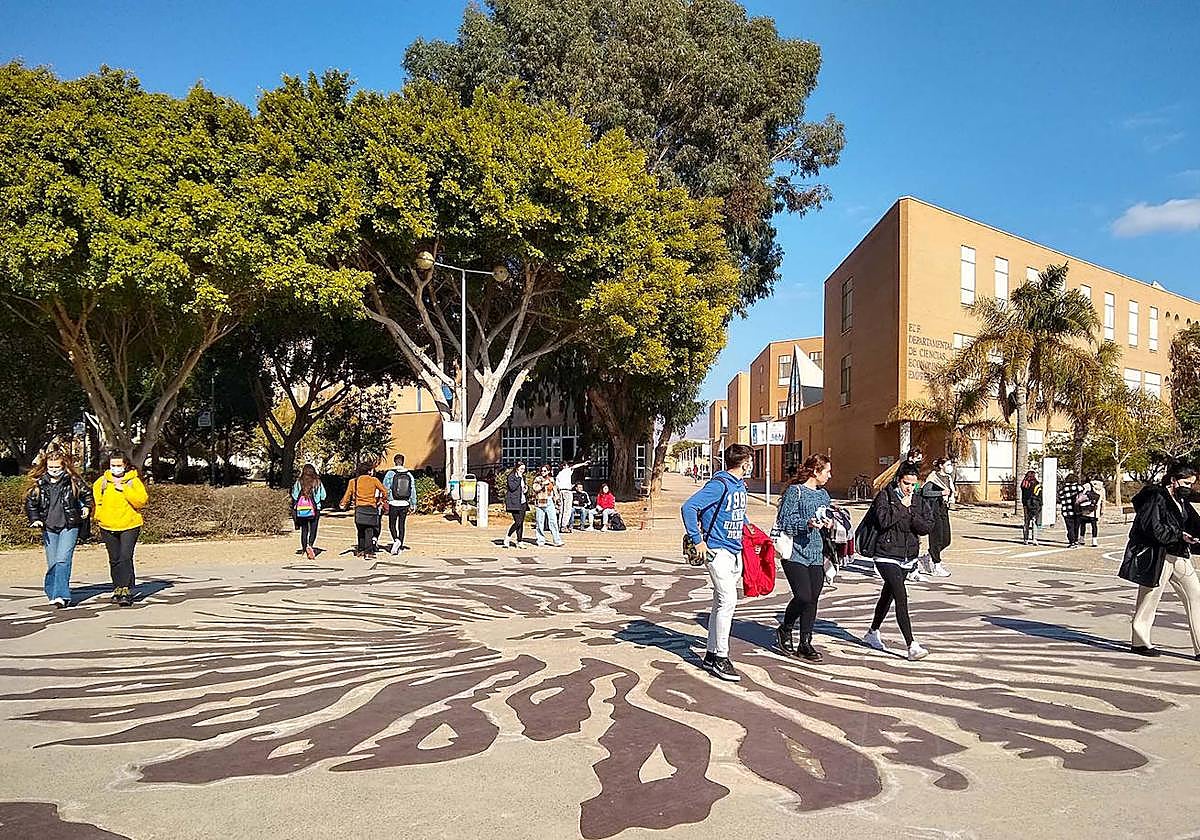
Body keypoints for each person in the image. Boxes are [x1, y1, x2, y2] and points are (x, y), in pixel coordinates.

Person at [681, 443, 753, 682]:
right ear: (744, 462)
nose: (752, 465)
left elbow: (737, 512)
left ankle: (711, 654)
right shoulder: (719, 484)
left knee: (720, 604)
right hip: (716, 549)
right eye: (750, 461)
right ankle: (721, 657)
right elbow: (689, 507)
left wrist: (748, 527)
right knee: (727, 600)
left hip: (734, 550)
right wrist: (698, 540)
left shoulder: (739, 486)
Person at [1125, 464, 1200, 659]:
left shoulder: (1180, 499)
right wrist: (1179, 535)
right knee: (1149, 599)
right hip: (1158, 555)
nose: (1189, 487)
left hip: (1178, 554)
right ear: (1174, 479)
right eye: (1185, 483)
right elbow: (1151, 527)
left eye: (1191, 484)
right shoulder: (1156, 496)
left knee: (1196, 596)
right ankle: (1140, 642)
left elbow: (1192, 522)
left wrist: (1192, 536)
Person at [863, 462, 933, 660]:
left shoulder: (918, 500)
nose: (909, 488)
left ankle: (872, 632)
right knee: (901, 595)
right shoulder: (885, 496)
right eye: (906, 483)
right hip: (885, 553)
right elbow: (884, 521)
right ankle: (911, 645)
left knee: (889, 594)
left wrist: (912, 514)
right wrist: (903, 507)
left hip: (907, 556)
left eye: (913, 484)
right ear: (898, 480)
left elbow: (926, 526)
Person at [774, 454, 834, 662]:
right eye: (826, 471)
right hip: (794, 552)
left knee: (813, 599)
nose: (829, 475)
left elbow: (828, 514)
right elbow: (784, 522)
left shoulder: (824, 495)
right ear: (816, 471)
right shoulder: (795, 491)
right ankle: (785, 628)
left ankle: (805, 643)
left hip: (816, 552)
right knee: (803, 596)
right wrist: (806, 523)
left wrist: (829, 523)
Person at [25, 448, 94, 608]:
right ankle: (52, 591)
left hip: (69, 525)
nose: (54, 471)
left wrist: (86, 507)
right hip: (48, 527)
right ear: (46, 467)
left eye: (57, 468)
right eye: (51, 468)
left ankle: (62, 596)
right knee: (53, 563)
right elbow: (31, 504)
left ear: (64, 467)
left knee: (63, 560)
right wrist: (35, 519)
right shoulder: (39, 483)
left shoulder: (73, 481)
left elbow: (87, 495)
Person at [92, 451, 149, 607]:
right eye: (113, 465)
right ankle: (117, 587)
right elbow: (99, 502)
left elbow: (141, 501)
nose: (116, 468)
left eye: (118, 465)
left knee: (125, 557)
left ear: (125, 465)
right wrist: (100, 517)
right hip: (108, 525)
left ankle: (126, 590)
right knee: (114, 559)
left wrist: (124, 489)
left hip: (130, 525)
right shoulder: (101, 482)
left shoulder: (133, 481)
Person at [340, 460, 388, 560]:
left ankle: (360, 551)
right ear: (369, 471)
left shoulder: (353, 481)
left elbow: (347, 495)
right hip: (371, 508)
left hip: (359, 508)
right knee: (369, 530)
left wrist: (343, 504)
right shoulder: (374, 480)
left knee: (360, 530)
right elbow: (384, 491)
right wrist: (380, 501)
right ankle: (368, 552)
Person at [919, 458, 955, 578]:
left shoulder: (949, 478)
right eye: (948, 464)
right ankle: (936, 565)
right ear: (941, 466)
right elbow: (925, 492)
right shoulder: (933, 478)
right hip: (934, 510)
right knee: (936, 538)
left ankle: (928, 556)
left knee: (946, 540)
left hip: (944, 509)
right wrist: (940, 493)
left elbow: (950, 491)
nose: (950, 466)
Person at [382, 454, 417, 554]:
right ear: (403, 462)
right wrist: (413, 503)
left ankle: (396, 540)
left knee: (392, 524)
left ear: (394, 461)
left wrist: (386, 499)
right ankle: (400, 546)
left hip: (393, 503)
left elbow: (385, 488)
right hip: (405, 503)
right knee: (402, 524)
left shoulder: (390, 474)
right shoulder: (409, 474)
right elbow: (412, 489)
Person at [291, 464, 326, 560]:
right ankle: (310, 545)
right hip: (315, 509)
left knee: (304, 529)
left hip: (302, 510)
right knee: (313, 528)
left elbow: (294, 495)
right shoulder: (317, 482)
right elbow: (323, 496)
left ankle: (303, 548)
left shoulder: (299, 482)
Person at [532, 464, 564, 547]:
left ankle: (557, 540)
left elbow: (555, 490)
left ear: (549, 471)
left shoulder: (551, 479)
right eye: (542, 471)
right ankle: (540, 540)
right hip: (540, 501)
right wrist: (543, 484)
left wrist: (557, 500)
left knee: (553, 521)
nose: (543, 472)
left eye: (545, 471)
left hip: (549, 501)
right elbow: (535, 488)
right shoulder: (538, 479)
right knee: (540, 522)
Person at [555, 458, 591, 531]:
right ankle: (564, 526)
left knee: (562, 509)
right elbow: (574, 466)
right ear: (565, 466)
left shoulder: (559, 474)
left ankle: (560, 525)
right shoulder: (567, 470)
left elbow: (557, 485)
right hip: (567, 491)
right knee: (567, 510)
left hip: (561, 491)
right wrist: (583, 463)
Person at [504, 462, 530, 548]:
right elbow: (512, 487)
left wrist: (526, 489)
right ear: (517, 468)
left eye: (524, 469)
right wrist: (519, 478)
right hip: (514, 502)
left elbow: (522, 488)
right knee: (517, 522)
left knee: (521, 523)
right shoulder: (511, 477)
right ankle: (508, 536)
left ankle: (519, 541)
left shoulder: (523, 477)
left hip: (522, 501)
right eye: (521, 469)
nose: (523, 471)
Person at [1058, 473, 1086, 547]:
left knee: (1070, 526)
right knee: (1076, 526)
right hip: (1077, 510)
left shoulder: (1063, 489)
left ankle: (1072, 541)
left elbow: (1059, 497)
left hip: (1066, 510)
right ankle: (1076, 540)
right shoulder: (1079, 487)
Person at [1077, 477, 1104, 548]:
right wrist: (1102, 510)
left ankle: (1082, 538)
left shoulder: (1086, 486)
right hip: (1095, 510)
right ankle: (1094, 540)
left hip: (1085, 509)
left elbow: (1081, 496)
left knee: (1083, 524)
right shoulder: (1102, 488)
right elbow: (1103, 501)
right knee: (1094, 525)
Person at [1020, 470, 1043, 545]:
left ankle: (1025, 539)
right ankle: (1034, 539)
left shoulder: (1024, 483)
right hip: (1034, 505)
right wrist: (1040, 504)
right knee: (1034, 521)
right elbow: (1038, 495)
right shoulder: (1036, 484)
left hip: (1026, 505)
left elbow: (1023, 495)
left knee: (1026, 522)